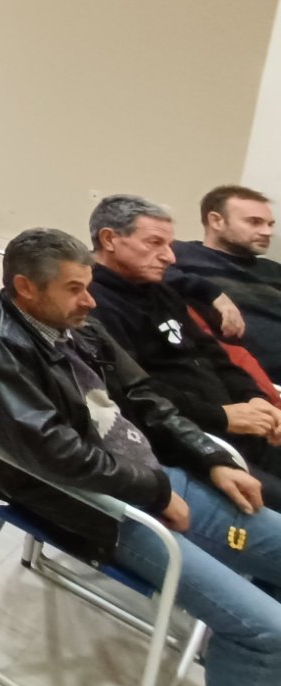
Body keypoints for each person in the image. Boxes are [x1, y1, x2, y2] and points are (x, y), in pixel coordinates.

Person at [0, 227, 281, 686]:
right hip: (94, 506)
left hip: (145, 480)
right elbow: (56, 453)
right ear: (25, 287)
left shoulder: (80, 326)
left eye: (88, 286)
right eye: (74, 288)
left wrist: (210, 456)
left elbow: (145, 397)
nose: (90, 301)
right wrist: (156, 493)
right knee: (266, 634)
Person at [84, 194, 281, 497]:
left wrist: (255, 399)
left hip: (241, 427)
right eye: (155, 243)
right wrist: (222, 416)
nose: (170, 257)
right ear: (109, 239)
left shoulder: (161, 291)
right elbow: (136, 393)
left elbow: (215, 357)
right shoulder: (92, 303)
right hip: (188, 442)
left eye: (169, 245)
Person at [174, 185, 281, 379]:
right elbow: (128, 266)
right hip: (242, 379)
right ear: (216, 221)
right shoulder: (181, 255)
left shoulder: (274, 270)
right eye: (255, 222)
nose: (267, 232)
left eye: (270, 224)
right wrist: (213, 294)